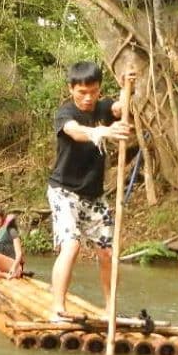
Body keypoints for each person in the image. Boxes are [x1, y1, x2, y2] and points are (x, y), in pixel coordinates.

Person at [47, 61, 131, 321]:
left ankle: (110, 307)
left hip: (93, 196)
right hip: (64, 191)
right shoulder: (65, 113)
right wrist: (104, 131)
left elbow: (122, 108)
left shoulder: (104, 107)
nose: (87, 97)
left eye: (93, 91)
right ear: (71, 88)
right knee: (71, 245)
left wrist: (128, 86)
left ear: (99, 89)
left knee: (107, 252)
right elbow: (77, 133)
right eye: (82, 92)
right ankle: (58, 307)